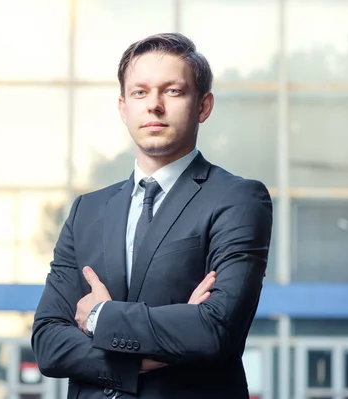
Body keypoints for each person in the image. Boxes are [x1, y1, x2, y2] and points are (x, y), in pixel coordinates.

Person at [31, 32, 273, 399]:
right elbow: (48, 342)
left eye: (172, 91)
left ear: (203, 106)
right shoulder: (87, 211)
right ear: (123, 107)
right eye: (140, 92)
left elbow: (214, 330)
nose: (154, 105)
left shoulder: (238, 199)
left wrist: (99, 318)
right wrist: (152, 355)